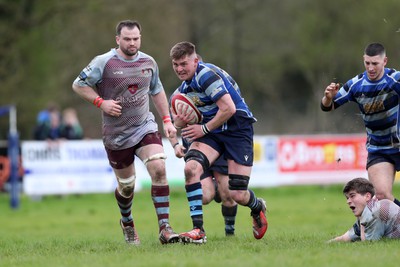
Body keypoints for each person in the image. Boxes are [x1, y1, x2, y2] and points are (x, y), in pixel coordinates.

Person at [72, 20, 179, 245]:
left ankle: (165, 228)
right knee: (127, 186)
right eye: (128, 39)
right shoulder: (104, 62)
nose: (132, 43)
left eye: (136, 38)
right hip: (116, 134)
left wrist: (167, 120)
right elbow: (78, 84)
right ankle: (127, 222)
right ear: (117, 39)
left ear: (141, 37)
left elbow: (157, 90)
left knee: (159, 167)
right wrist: (101, 102)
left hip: (144, 126)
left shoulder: (148, 62)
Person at [169, 41, 268, 244]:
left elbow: (229, 109)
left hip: (236, 129)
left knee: (237, 195)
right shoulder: (182, 90)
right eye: (175, 64)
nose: (179, 69)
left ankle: (257, 207)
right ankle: (198, 230)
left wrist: (203, 129)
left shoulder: (206, 75)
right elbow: (176, 121)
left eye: (184, 63)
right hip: (213, 131)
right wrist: (177, 123)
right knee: (191, 169)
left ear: (195, 61)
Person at [321, 43, 400, 207]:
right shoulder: (356, 85)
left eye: (375, 64)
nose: (370, 68)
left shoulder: (395, 80)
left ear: (385, 61)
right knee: (381, 196)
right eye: (367, 63)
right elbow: (327, 107)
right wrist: (328, 97)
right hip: (379, 148)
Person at [328, 177, 400, 242]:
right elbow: (346, 237)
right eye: (347, 198)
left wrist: (362, 222)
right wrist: (328, 243)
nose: (348, 201)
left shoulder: (375, 212)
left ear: (367, 196)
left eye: (352, 196)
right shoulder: (368, 211)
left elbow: (369, 243)